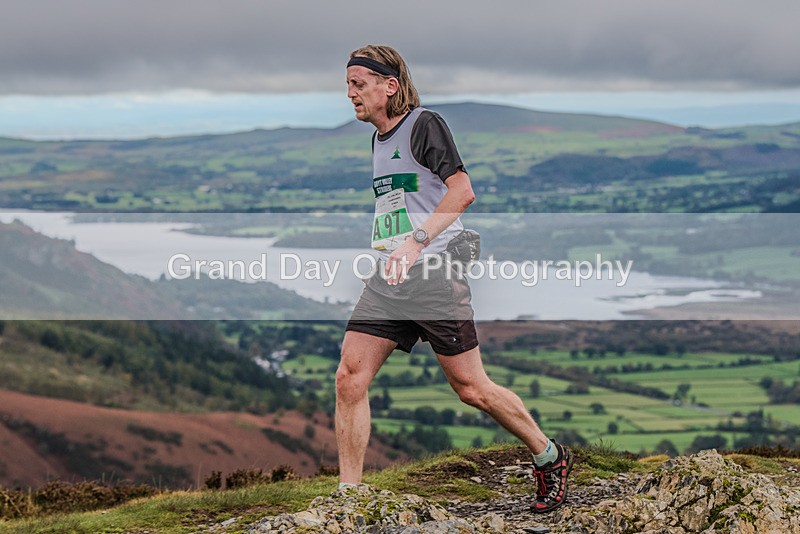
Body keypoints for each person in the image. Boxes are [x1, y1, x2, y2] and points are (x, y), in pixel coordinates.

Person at [338, 44, 572, 513]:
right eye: (347, 85)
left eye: (358, 84)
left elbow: (462, 191)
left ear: (391, 86)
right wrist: (395, 250)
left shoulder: (424, 125)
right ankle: (349, 497)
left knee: (471, 389)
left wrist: (415, 242)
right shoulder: (378, 139)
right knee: (349, 377)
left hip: (435, 273)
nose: (350, 95)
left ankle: (550, 456)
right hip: (392, 276)